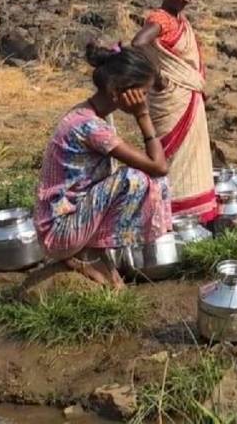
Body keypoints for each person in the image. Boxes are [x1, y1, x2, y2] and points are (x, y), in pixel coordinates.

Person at [34, 44, 172, 289]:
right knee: (137, 179)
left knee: (144, 178)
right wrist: (143, 116)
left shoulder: (90, 114)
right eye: (144, 93)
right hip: (60, 232)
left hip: (66, 222)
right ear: (116, 91)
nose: (145, 100)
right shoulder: (90, 127)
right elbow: (159, 167)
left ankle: (94, 251)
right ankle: (85, 254)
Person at [131, 0, 216, 222]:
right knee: (171, 155)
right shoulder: (162, 19)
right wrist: (157, 75)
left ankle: (194, 209)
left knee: (191, 156)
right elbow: (138, 43)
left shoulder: (180, 20)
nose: (187, 0)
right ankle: (172, 211)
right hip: (172, 97)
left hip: (188, 94)